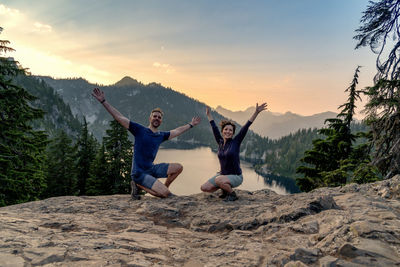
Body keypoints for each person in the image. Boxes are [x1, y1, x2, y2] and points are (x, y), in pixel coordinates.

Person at [92, 87, 201, 199]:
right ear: (150, 118)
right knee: (166, 195)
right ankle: (138, 185)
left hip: (151, 169)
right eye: (155, 116)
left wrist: (191, 124)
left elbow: (177, 131)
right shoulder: (139, 130)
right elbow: (118, 116)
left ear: (161, 121)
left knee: (178, 168)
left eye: (159, 117)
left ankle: (165, 187)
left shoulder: (161, 135)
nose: (157, 118)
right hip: (139, 173)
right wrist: (103, 101)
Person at [200, 103, 267, 201]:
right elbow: (214, 128)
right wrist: (209, 115)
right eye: (226, 129)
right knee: (204, 188)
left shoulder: (236, 142)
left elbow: (246, 126)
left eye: (230, 130)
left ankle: (232, 194)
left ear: (233, 133)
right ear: (222, 131)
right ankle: (225, 189)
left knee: (218, 180)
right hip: (223, 175)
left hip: (236, 176)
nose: (228, 131)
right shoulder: (220, 142)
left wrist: (256, 112)